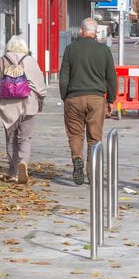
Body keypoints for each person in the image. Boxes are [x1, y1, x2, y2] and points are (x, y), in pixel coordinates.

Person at [59, 17, 117, 185]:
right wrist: (111, 99)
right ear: (96, 32)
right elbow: (111, 77)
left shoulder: (70, 49)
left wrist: (65, 97)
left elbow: (64, 77)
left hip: (74, 98)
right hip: (96, 99)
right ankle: (92, 173)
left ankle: (77, 159)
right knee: (94, 137)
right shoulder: (104, 50)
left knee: (75, 134)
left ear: (81, 31)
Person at [0, 35, 47, 184]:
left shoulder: (1, 61)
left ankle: (13, 170)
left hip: (7, 106)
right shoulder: (30, 61)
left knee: (11, 138)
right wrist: (40, 99)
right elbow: (41, 87)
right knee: (25, 138)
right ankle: (23, 163)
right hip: (28, 103)